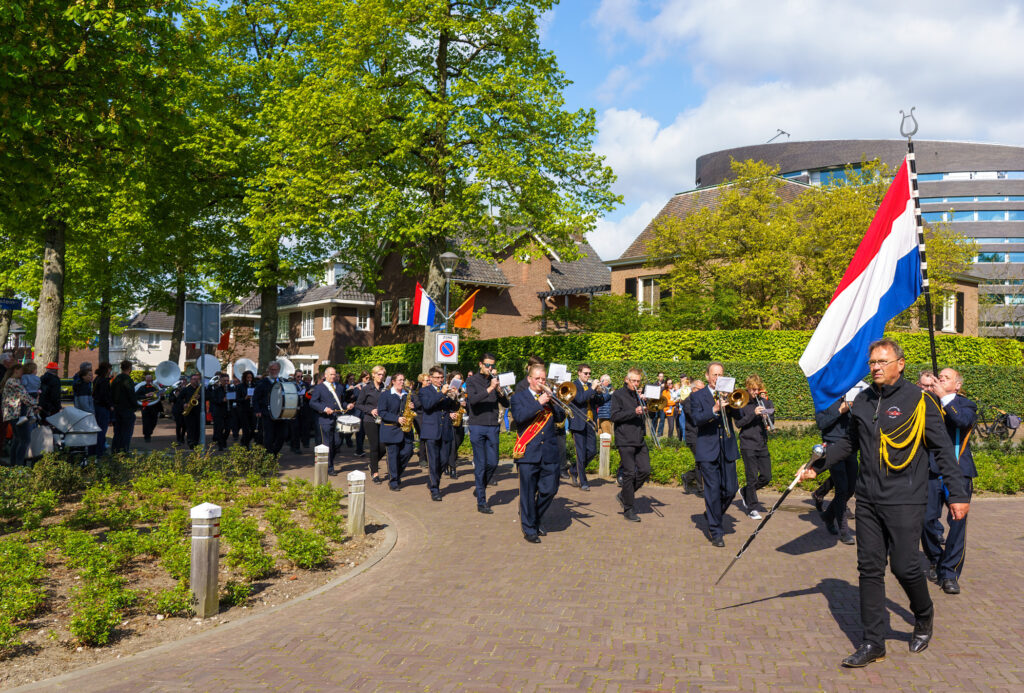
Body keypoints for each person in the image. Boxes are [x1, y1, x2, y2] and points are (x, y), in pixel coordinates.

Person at [798, 338, 970, 668]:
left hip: (905, 499)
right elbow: (848, 443)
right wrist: (815, 466)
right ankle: (873, 641)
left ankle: (924, 614)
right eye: (872, 362)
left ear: (900, 364)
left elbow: (943, 452)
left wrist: (957, 494)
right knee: (869, 569)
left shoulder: (920, 401)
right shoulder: (862, 400)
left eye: (882, 362)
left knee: (904, 566)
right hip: (869, 500)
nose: (875, 367)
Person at [921, 367, 977, 596]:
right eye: (939, 377)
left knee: (957, 526)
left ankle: (950, 573)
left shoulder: (966, 404)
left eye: (947, 378)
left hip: (959, 473)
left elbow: (961, 421)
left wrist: (944, 397)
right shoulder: (929, 403)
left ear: (957, 385)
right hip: (932, 472)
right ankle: (935, 558)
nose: (941, 379)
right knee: (925, 521)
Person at [509, 363, 566, 543]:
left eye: (543, 379)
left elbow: (561, 417)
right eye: (538, 379)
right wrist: (538, 403)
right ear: (529, 379)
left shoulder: (550, 397)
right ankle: (529, 529)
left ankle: (535, 518)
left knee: (550, 489)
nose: (541, 382)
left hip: (549, 452)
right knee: (527, 493)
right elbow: (519, 418)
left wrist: (554, 400)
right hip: (529, 452)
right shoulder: (519, 397)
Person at [689, 362, 740, 546]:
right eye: (714, 375)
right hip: (708, 450)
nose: (717, 378)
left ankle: (712, 513)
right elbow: (696, 419)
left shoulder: (728, 394)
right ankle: (716, 531)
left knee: (731, 490)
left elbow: (740, 419)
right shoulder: (698, 396)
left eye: (720, 375)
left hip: (727, 448)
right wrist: (714, 409)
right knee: (712, 491)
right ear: (707, 376)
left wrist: (732, 404)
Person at [466, 354, 509, 513]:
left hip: (492, 426)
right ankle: (482, 502)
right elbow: (473, 400)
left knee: (493, 462)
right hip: (477, 425)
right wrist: (490, 388)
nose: (490, 368)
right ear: (480, 364)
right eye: (487, 365)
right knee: (481, 463)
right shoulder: (471, 381)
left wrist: (499, 391)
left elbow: (506, 403)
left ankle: (480, 487)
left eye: (492, 365)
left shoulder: (495, 380)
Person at [608, 368, 651, 522]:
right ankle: (628, 509)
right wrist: (635, 411)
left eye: (638, 381)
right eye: (633, 380)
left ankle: (625, 495)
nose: (636, 383)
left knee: (645, 470)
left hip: (639, 438)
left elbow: (646, 414)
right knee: (629, 473)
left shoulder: (638, 395)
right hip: (625, 439)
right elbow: (614, 416)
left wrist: (646, 403)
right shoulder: (618, 394)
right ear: (627, 379)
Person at [814, 395, 857, 545]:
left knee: (851, 488)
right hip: (832, 446)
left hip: (850, 446)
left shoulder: (852, 398)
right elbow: (821, 423)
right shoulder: (823, 400)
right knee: (841, 488)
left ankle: (828, 516)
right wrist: (839, 411)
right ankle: (844, 531)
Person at [735, 375, 774, 520]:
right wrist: (753, 413)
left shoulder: (764, 402)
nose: (755, 392)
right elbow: (739, 424)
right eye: (753, 389)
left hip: (761, 442)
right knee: (751, 477)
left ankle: (745, 492)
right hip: (748, 443)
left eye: (757, 389)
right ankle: (752, 507)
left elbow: (772, 419)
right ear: (747, 387)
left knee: (766, 476)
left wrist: (768, 419)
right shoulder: (740, 403)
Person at [418, 366, 459, 501]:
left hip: (445, 429)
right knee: (434, 461)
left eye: (441, 378)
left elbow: (454, 407)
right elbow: (428, 405)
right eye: (437, 378)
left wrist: (455, 397)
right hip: (431, 431)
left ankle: (433, 480)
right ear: (430, 378)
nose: (439, 380)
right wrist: (442, 393)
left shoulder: (446, 391)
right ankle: (435, 488)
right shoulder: (425, 391)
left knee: (444, 460)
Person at [568, 363, 607, 491]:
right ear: (579, 373)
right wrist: (592, 389)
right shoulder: (573, 386)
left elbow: (599, 402)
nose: (588, 375)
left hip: (590, 422)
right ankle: (583, 482)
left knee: (592, 451)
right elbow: (579, 399)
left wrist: (600, 393)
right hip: (578, 423)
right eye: (586, 373)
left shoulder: (590, 386)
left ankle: (573, 470)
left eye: (589, 373)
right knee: (581, 453)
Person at [378, 373, 415, 490]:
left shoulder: (406, 395)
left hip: (405, 431)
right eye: (399, 380)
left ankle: (396, 474)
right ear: (393, 381)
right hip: (391, 430)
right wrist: (396, 418)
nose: (402, 382)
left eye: (403, 380)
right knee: (393, 456)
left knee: (408, 452)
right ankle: (393, 481)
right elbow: (382, 412)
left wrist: (412, 406)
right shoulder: (386, 395)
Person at [309, 367, 346, 476]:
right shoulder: (320, 388)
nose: (333, 376)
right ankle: (329, 467)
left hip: (337, 419)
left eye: (334, 374)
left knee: (337, 442)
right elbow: (313, 402)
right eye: (331, 374)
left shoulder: (339, 387)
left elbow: (341, 402)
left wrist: (347, 405)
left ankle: (327, 462)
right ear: (325, 375)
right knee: (327, 443)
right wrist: (324, 409)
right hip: (324, 420)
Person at [355, 366, 387, 483]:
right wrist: (370, 410)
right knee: (374, 446)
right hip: (369, 420)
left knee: (383, 446)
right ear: (373, 375)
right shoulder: (367, 388)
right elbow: (359, 404)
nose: (381, 377)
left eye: (383, 375)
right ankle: (375, 473)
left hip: (383, 420)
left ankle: (372, 464)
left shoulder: (385, 388)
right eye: (378, 374)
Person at [2, 363, 39, 466]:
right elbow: (24, 396)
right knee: (25, 440)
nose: (23, 373)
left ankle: (14, 465)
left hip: (13, 414)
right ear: (16, 370)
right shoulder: (14, 382)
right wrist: (36, 404)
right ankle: (19, 466)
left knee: (17, 440)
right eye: (21, 371)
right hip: (16, 414)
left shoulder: (12, 381)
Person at [253, 362, 288, 454]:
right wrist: (257, 410)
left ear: (279, 370)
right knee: (269, 436)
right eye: (272, 369)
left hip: (281, 413)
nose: (273, 371)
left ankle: (274, 452)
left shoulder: (284, 382)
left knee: (282, 436)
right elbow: (255, 398)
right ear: (268, 370)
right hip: (267, 413)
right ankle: (270, 455)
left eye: (275, 369)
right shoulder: (262, 383)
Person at [110, 359, 138, 454]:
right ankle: (124, 451)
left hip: (117, 409)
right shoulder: (128, 380)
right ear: (129, 368)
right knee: (126, 432)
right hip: (127, 410)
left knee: (117, 432)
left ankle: (115, 450)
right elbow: (131, 394)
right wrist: (136, 406)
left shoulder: (116, 379)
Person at [445, 371, 466, 479]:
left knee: (459, 440)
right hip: (450, 420)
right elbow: (444, 405)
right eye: (456, 379)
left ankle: (447, 460)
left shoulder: (462, 391)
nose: (459, 381)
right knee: (452, 445)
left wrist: (464, 403)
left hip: (459, 420)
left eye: (460, 379)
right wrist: (449, 413)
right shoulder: (447, 390)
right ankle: (452, 469)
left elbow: (465, 403)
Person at [92, 362, 114, 456]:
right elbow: (105, 395)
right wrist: (110, 406)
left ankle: (96, 450)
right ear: (107, 369)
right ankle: (100, 451)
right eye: (110, 369)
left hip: (97, 407)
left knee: (97, 430)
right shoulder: (104, 381)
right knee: (102, 430)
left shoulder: (97, 379)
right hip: (103, 408)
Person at [206, 372, 231, 450]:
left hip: (228, 411)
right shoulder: (216, 390)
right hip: (219, 412)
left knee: (228, 429)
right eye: (224, 381)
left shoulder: (231, 389)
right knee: (219, 429)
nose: (226, 382)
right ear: (221, 381)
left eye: (227, 381)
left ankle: (223, 440)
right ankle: (220, 445)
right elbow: (213, 400)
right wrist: (222, 400)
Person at [180, 372, 203, 449]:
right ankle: (190, 442)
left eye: (197, 379)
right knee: (190, 428)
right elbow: (179, 398)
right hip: (189, 411)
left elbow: (209, 396)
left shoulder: (201, 389)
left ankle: (196, 442)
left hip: (198, 411)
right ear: (190, 380)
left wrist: (200, 396)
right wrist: (184, 404)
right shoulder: (186, 389)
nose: (195, 381)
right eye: (194, 379)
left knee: (197, 428)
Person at [235, 371, 257, 449]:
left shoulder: (254, 386)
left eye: (251, 377)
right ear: (245, 378)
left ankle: (244, 441)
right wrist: (245, 398)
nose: (249, 379)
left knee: (253, 429)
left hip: (252, 409)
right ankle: (246, 445)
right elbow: (237, 399)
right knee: (246, 429)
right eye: (248, 377)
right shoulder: (240, 386)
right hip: (243, 410)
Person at [137, 373, 161, 442]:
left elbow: (160, 398)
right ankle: (147, 436)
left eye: (150, 380)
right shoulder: (142, 388)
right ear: (145, 380)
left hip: (154, 408)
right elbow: (137, 396)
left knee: (154, 422)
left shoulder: (155, 388)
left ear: (152, 380)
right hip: (145, 407)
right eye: (147, 381)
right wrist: (145, 395)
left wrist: (161, 395)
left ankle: (149, 432)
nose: (149, 382)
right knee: (146, 422)